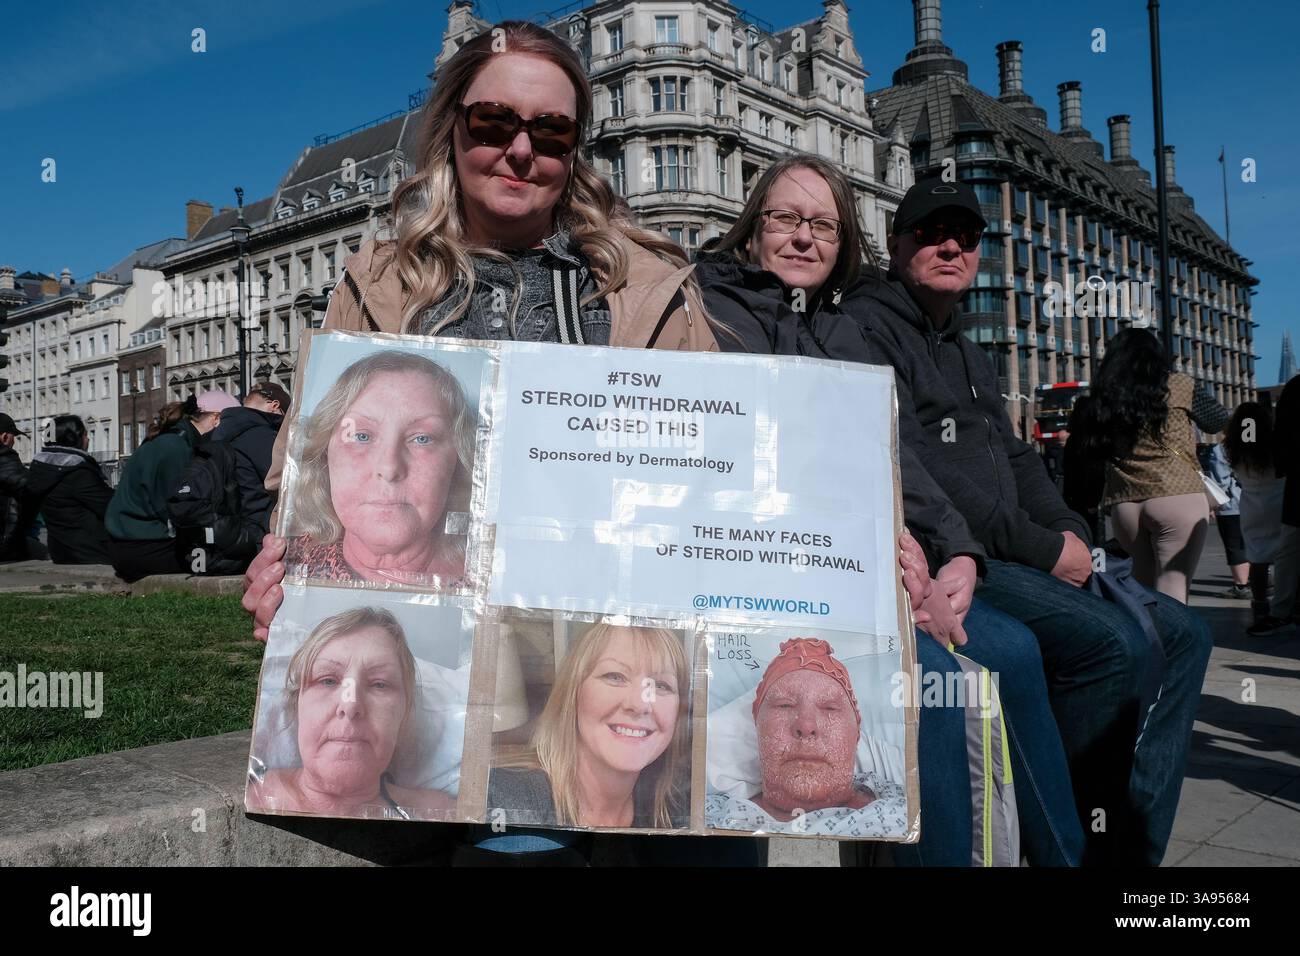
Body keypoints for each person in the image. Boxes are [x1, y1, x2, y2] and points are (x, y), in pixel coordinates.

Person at [242, 19, 722, 866]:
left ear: (577, 149)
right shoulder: (378, 283)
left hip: (594, 637)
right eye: (494, 123)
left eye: (552, 131)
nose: (521, 150)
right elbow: (299, 482)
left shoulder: (650, 287)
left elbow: (731, 475)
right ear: (452, 130)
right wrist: (280, 572)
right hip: (430, 631)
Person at [694, 156, 1081, 866]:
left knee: (1008, 654)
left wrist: (959, 551)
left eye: (825, 226)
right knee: (931, 688)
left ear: (845, 245)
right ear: (752, 228)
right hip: (742, 575)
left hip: (851, 574)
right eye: (786, 218)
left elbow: (901, 457)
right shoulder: (708, 308)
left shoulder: (841, 330)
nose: (804, 237)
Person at [851, 175, 1212, 867]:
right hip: (963, 555)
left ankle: (1128, 849)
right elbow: (919, 461)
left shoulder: (964, 345)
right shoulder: (870, 326)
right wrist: (1045, 549)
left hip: (1017, 548)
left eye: (966, 236)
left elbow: (1016, 458)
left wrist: (1071, 533)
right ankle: (1075, 844)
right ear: (896, 246)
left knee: (1188, 633)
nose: (950, 245)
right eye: (930, 233)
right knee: (1110, 647)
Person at [283, 352, 473, 587]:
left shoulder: (492, 579)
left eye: (422, 438)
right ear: (324, 455)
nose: (389, 468)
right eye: (361, 436)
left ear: (458, 461)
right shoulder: (289, 566)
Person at [247, 606, 456, 819]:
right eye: (328, 680)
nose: (350, 705)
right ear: (296, 705)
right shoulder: (251, 794)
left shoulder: (442, 812)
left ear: (403, 714)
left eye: (379, 684)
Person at [488, 623, 689, 829]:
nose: (639, 704)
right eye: (615, 677)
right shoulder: (501, 800)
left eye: (661, 685)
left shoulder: (679, 810)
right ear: (573, 693)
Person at [1082, 326, 1231, 602]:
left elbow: (1092, 451)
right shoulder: (1179, 384)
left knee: (1145, 594)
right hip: (1177, 495)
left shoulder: (1105, 395)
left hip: (1126, 504)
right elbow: (1218, 420)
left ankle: (1147, 644)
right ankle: (1174, 646)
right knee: (1173, 593)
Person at [705, 637, 908, 837]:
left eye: (830, 708)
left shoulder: (914, 806)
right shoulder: (708, 820)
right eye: (784, 705)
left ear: (856, 733)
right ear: (757, 727)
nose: (806, 725)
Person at [105, 393, 227, 582]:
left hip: (125, 545)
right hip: (146, 548)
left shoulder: (161, 443)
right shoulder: (177, 449)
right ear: (216, 419)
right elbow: (178, 509)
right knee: (223, 560)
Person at [1223, 403, 1294, 636]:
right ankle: (1287, 604)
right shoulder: (1275, 443)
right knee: (1288, 555)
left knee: (1258, 557)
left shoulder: (1237, 446)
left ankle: (1260, 605)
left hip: (1252, 503)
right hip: (1279, 500)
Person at [205, 381, 291, 572]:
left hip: (227, 533)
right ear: (275, 406)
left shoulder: (217, 434)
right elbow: (286, 480)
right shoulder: (261, 435)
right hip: (259, 535)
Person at [13, 415, 113, 564]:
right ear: (74, 438)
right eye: (85, 435)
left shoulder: (40, 471)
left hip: (59, 550)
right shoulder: (77, 472)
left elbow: (27, 513)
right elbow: (109, 506)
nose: (88, 439)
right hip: (91, 549)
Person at [1199, 439, 1249, 599]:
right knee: (1251, 543)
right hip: (1254, 501)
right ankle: (1260, 580)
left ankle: (1241, 586)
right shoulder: (1257, 443)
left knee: (1234, 544)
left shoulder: (1222, 448)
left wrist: (1213, 503)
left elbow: (1220, 479)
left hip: (1231, 504)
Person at [1272, 374, 1300, 627]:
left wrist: (1283, 468)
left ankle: (1281, 607)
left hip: (1298, 483)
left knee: (1289, 550)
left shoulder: (1294, 387)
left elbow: (1281, 433)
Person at [0, 413, 30, 560]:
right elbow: (31, 489)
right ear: (5, 437)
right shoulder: (5, 459)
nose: (13, 442)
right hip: (6, 545)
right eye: (13, 437)